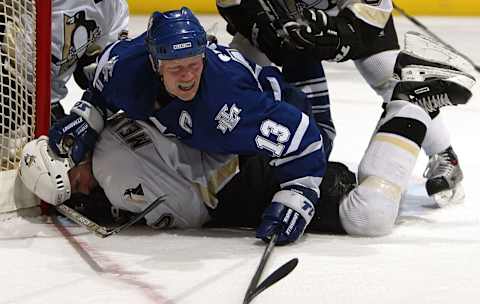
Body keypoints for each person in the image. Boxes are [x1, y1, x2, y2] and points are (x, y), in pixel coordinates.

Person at [47, 7, 334, 245]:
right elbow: (101, 91)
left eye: (194, 65)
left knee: (250, 198)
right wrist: (88, 114)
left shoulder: (226, 100)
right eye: (175, 68)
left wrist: (297, 197)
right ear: (155, 63)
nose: (187, 77)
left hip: (282, 119)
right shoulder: (122, 67)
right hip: (205, 129)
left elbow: (304, 138)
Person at [215, 0, 474, 206]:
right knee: (236, 70)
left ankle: (444, 155)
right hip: (278, 18)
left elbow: (371, 15)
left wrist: (335, 36)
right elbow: (232, 4)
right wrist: (259, 26)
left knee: (393, 78)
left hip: (342, 15)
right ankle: (221, 157)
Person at [19, 114, 355, 235]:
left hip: (242, 188)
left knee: (357, 211)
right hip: (251, 149)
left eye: (78, 182)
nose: (84, 188)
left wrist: (120, 213)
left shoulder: (112, 177)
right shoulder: (106, 127)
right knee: (335, 179)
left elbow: (190, 214)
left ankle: (404, 115)